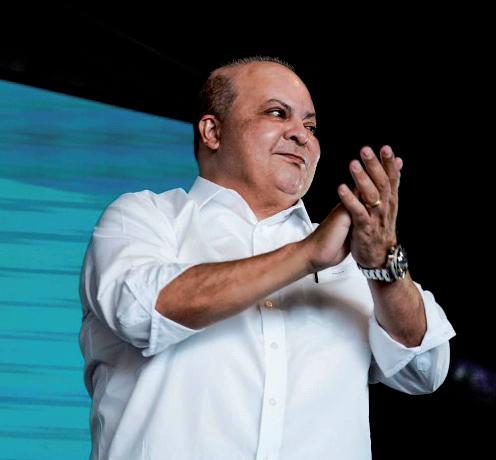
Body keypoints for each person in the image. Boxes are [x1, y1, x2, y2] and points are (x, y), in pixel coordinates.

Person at [79, 56, 455, 460]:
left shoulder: (353, 259)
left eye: (311, 126)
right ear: (212, 132)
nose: (301, 135)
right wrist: (306, 255)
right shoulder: (144, 217)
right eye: (277, 113)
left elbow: (425, 369)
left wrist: (383, 265)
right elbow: (139, 312)